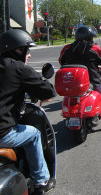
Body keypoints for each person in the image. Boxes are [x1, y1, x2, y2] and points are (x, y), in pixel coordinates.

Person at [0, 29, 56, 193]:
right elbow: (47, 90)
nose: (29, 54)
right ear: (17, 50)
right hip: (2, 133)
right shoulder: (18, 68)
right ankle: (42, 180)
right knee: (34, 134)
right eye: (27, 49)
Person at [59, 26, 101, 128]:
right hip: (92, 80)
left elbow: (61, 61)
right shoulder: (94, 48)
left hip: (71, 80)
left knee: (69, 94)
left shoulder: (67, 48)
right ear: (89, 38)